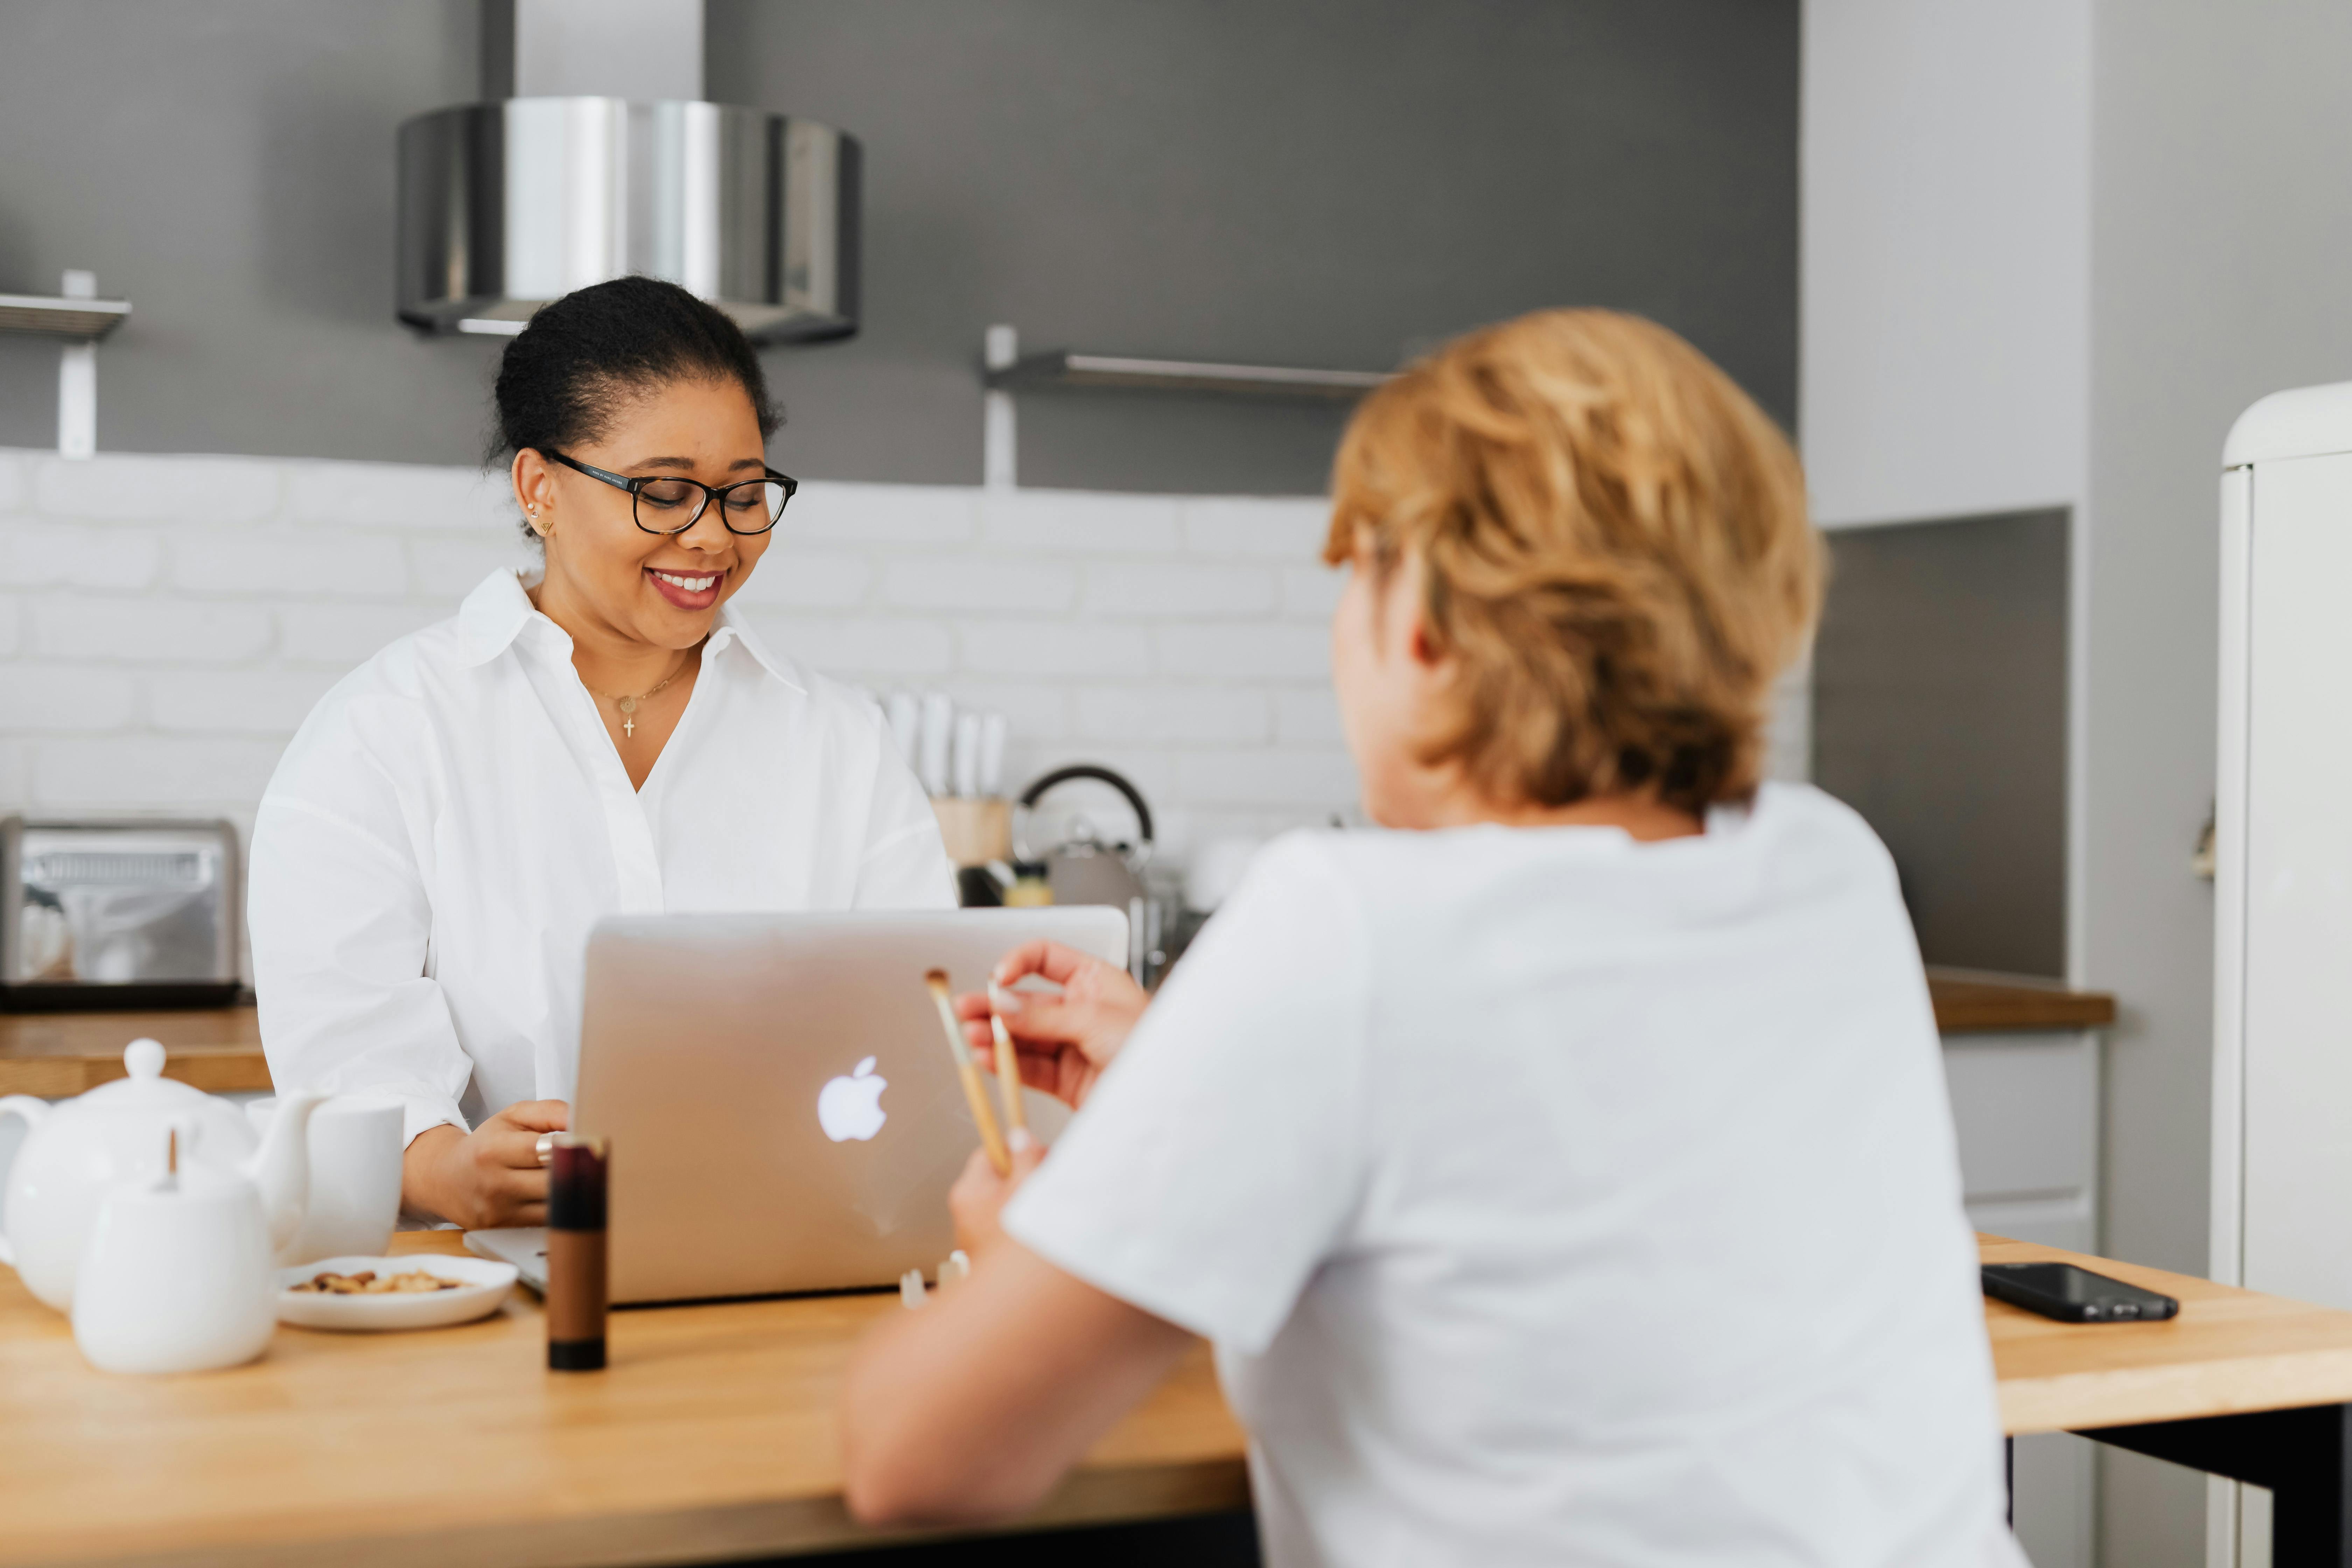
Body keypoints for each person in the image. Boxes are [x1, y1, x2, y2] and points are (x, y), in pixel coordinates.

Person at [839, 309, 2024, 1567]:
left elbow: (914, 1460)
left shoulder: (1345, 927)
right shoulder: (1828, 862)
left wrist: (1041, 1236)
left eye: (1358, 573)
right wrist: (1189, 1069)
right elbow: (1562, 1134)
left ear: (1425, 633)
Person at [249, 276, 953, 1229]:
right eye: (663, 493)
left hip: (795, 1263)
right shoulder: (389, 727)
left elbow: (924, 1026)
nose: (712, 535)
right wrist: (446, 1168)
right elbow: (342, 1045)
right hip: (498, 1291)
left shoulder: (838, 742)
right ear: (540, 489)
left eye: (744, 493)